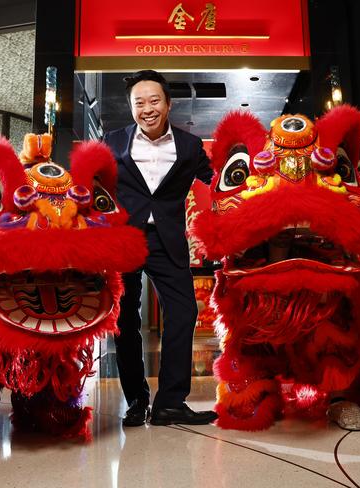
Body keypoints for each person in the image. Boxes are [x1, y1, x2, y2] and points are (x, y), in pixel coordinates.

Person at [102, 70, 218, 427]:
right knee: (124, 321)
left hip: (168, 240)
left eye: (154, 101)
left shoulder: (189, 146)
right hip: (125, 239)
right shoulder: (112, 142)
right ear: (131, 107)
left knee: (183, 314)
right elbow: (92, 187)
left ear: (168, 104)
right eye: (139, 102)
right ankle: (137, 401)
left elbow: (218, 176)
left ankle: (170, 403)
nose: (147, 108)